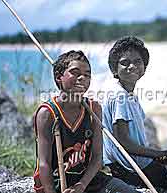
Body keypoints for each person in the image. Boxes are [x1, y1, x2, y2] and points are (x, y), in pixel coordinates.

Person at [102, 36, 167, 193]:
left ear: (144, 67)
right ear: (114, 69)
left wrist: (159, 156)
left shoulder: (126, 94)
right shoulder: (120, 96)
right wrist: (160, 154)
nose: (132, 66)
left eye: (138, 61)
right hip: (133, 168)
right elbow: (123, 142)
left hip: (132, 164)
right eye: (125, 62)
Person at [33, 50, 139, 193]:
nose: (82, 78)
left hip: (86, 180)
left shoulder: (93, 109)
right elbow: (44, 164)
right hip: (56, 182)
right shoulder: (48, 113)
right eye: (75, 73)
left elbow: (97, 158)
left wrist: (82, 185)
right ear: (59, 77)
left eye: (87, 75)